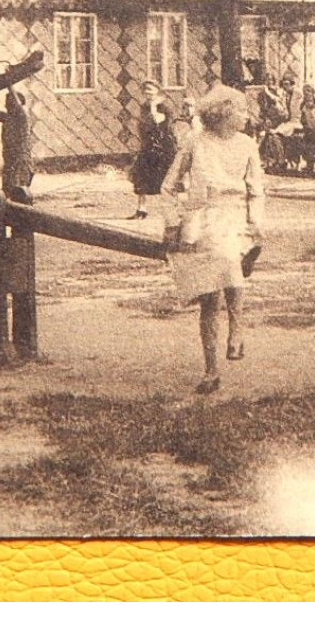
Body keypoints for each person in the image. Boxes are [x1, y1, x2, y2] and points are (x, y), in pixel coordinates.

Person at [162, 85, 264, 395]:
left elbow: (256, 189)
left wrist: (256, 226)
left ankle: (236, 329)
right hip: (201, 219)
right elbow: (169, 186)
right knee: (208, 299)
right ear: (221, 114)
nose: (246, 117)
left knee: (230, 263)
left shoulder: (247, 145)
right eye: (240, 111)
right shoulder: (196, 142)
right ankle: (211, 370)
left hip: (234, 217)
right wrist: (172, 222)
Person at [129, 81, 179, 219]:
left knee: (167, 178)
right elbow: (143, 125)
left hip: (164, 148)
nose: (148, 93)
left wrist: (153, 107)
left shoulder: (164, 107)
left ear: (158, 90)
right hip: (149, 147)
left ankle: (173, 208)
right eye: (145, 91)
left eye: (150, 90)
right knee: (141, 176)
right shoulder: (145, 107)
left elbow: (158, 121)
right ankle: (141, 209)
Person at [0, 87, 35, 198]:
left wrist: (8, 84)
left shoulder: (23, 117)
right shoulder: (7, 117)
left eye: (8, 103)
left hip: (21, 160)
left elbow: (18, 104)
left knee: (19, 192)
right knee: (7, 191)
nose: (6, 106)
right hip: (9, 159)